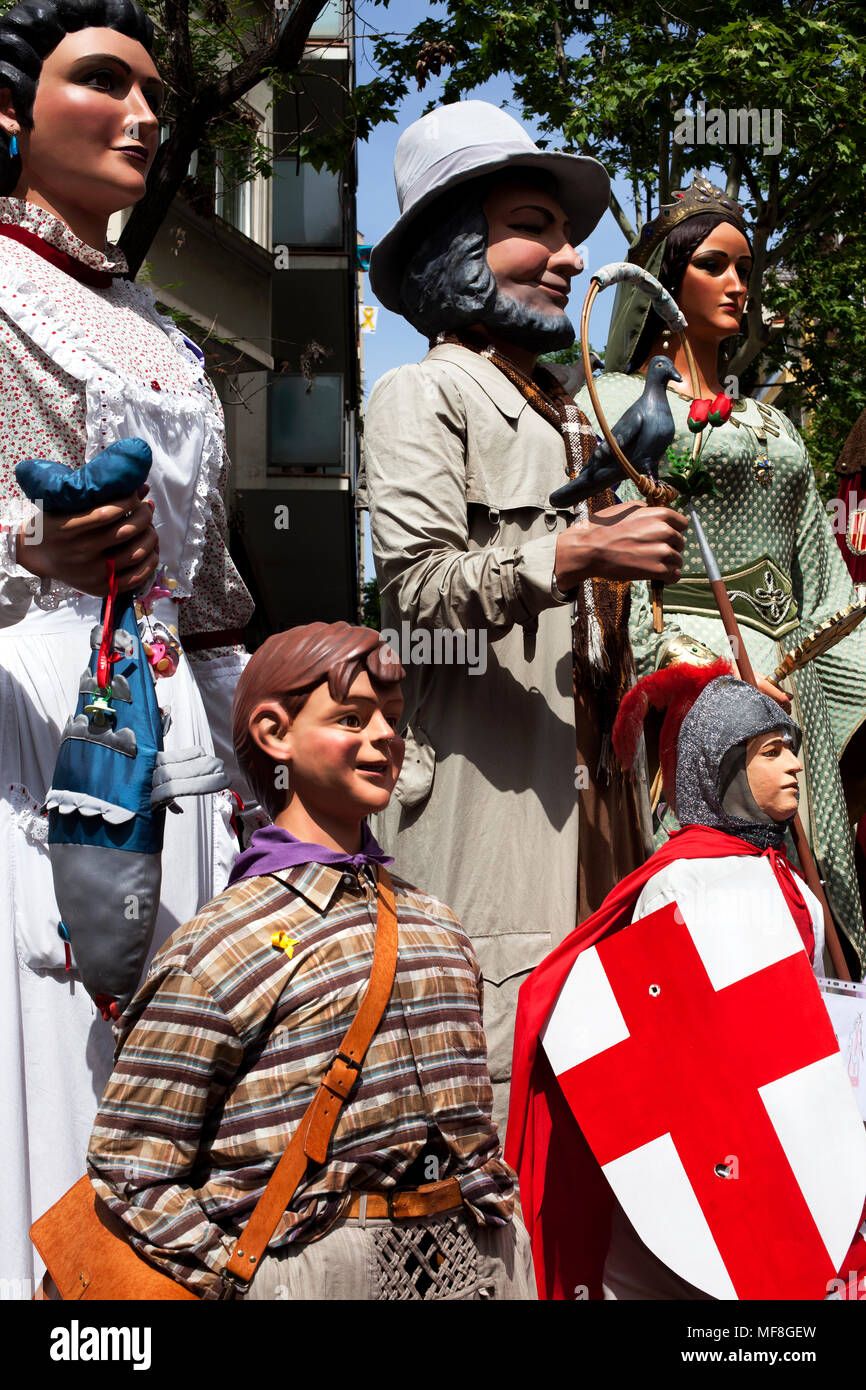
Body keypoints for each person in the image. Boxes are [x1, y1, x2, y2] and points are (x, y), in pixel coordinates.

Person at [361, 100, 689, 1124]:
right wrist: (576, 548)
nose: (563, 254)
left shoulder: (570, 406)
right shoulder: (421, 397)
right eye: (529, 226)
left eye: (564, 230)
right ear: (456, 249)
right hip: (483, 819)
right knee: (485, 1108)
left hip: (598, 813)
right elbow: (413, 604)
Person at [0, 0, 253, 1294]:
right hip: (32, 730)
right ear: (10, 109)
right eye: (103, 80)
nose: (146, 115)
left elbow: (208, 594)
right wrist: (24, 552)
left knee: (173, 1085)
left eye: (156, 91)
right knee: (49, 1067)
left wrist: (272, 750)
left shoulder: (164, 332)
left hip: (184, 755)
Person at [87, 622, 535, 1300]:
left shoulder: (438, 926)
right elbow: (130, 1160)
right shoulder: (223, 946)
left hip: (474, 1266)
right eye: (351, 718)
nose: (386, 735)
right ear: (274, 733)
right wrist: (259, 1280)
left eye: (392, 717)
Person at [576, 175, 866, 974]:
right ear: (668, 283)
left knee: (810, 884)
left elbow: (825, 580)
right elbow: (617, 571)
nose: (738, 284)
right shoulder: (615, 402)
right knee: (716, 890)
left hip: (788, 674)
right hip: (695, 677)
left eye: (745, 268)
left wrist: (827, 665)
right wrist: (680, 670)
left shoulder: (773, 424)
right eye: (714, 264)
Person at [507, 666, 866, 1301]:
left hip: (784, 1133)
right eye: (771, 751)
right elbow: (667, 1033)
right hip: (715, 1157)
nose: (795, 767)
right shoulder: (679, 882)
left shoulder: (790, 884)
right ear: (721, 768)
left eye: (795, 750)